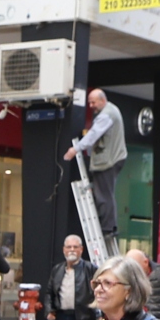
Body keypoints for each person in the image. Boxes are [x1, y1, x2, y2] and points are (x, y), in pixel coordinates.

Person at [63, 89, 127, 240]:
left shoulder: (106, 115)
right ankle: (107, 225)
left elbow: (93, 135)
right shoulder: (110, 111)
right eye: (89, 102)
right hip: (112, 158)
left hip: (108, 161)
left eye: (93, 102)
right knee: (103, 193)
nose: (91, 106)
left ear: (102, 101)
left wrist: (75, 149)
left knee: (103, 195)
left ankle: (107, 228)